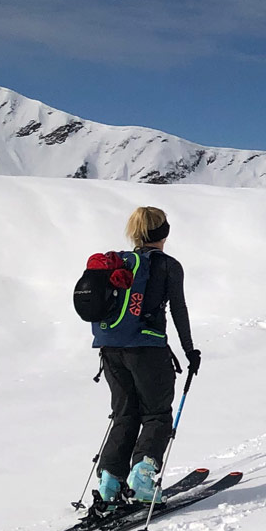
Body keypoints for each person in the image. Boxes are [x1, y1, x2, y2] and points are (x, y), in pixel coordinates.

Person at [91, 206, 200, 508]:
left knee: (124, 415)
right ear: (163, 233)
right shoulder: (168, 266)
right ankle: (141, 478)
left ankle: (110, 482)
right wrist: (190, 350)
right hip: (148, 351)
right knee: (156, 414)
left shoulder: (120, 264)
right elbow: (178, 309)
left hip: (110, 349)